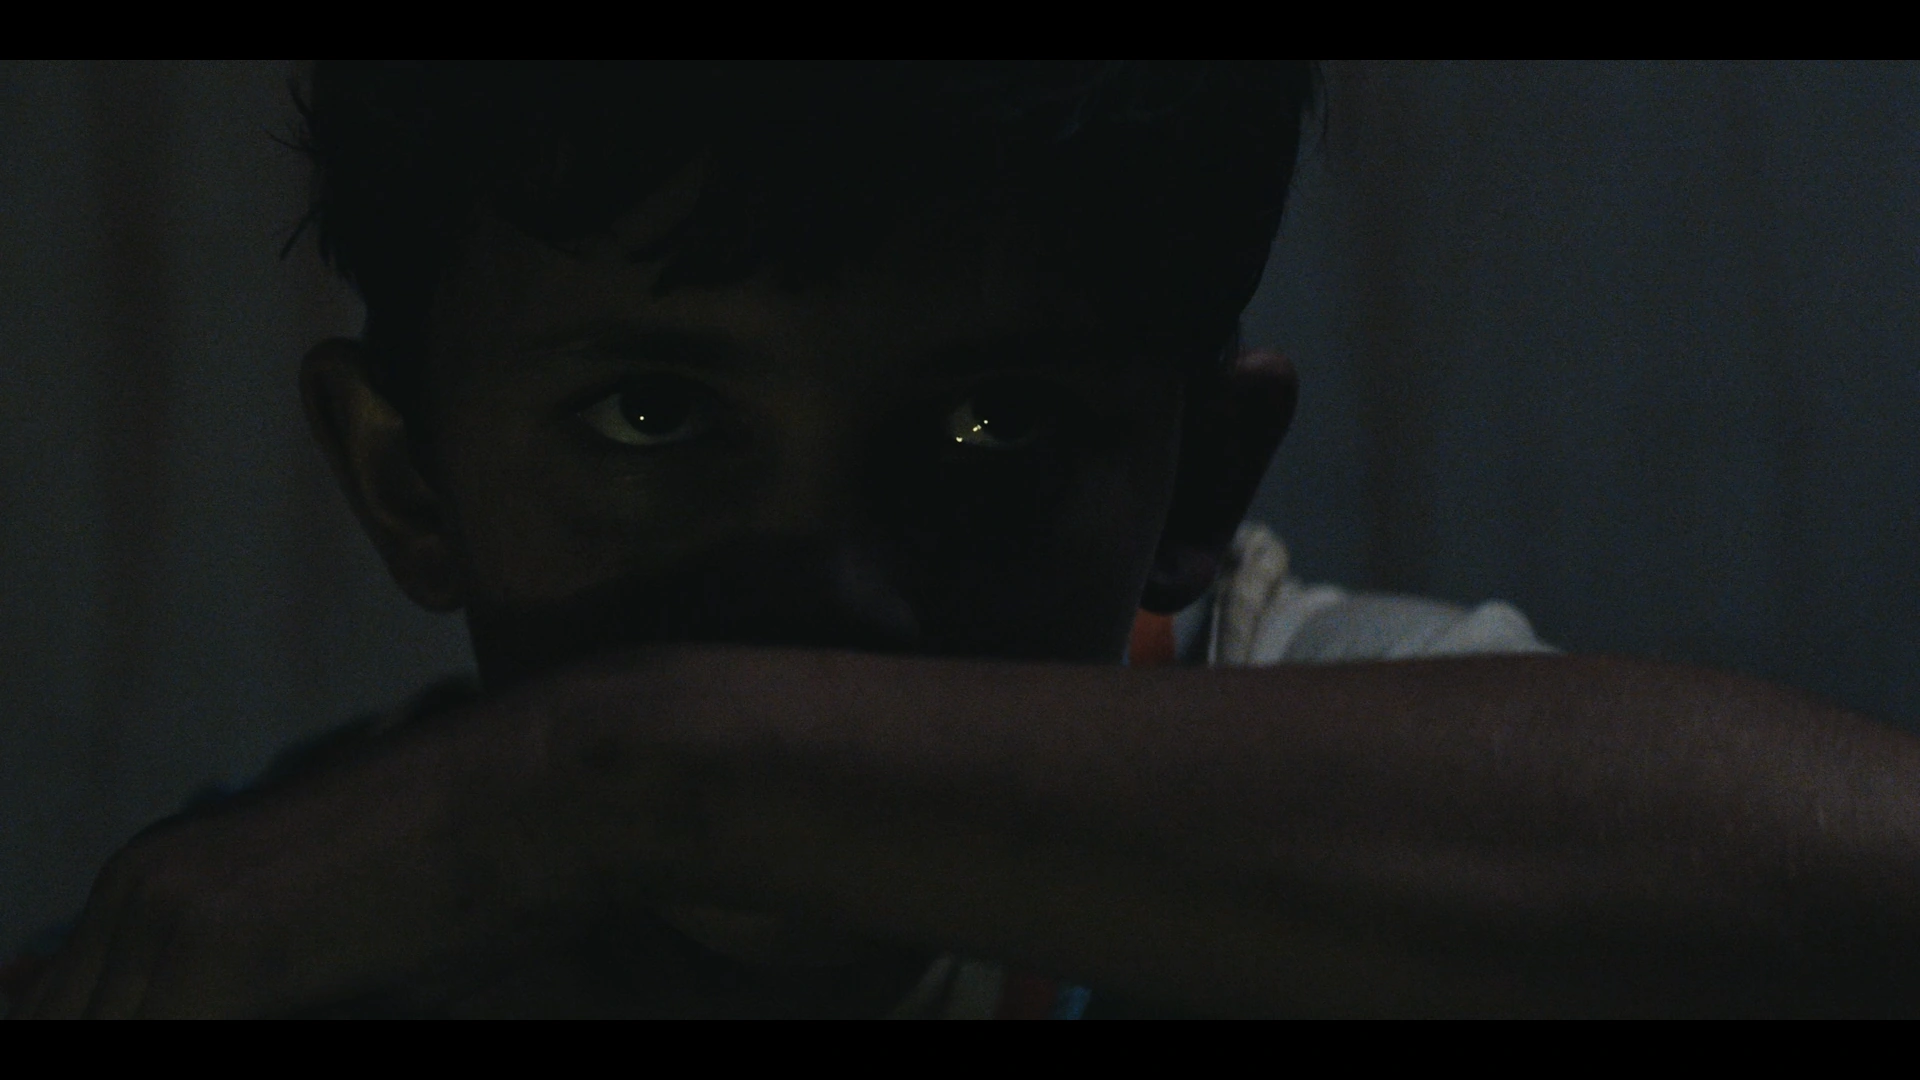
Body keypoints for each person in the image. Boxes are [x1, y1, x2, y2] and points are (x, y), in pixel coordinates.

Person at [13, 61, 1920, 1018]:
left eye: (991, 432)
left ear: (1200, 485)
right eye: (654, 416)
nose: (817, 595)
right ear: (405, 480)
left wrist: (632, 773)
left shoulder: (1346, 756)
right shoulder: (295, 918)